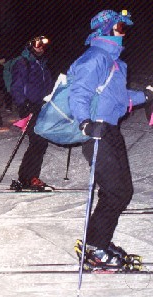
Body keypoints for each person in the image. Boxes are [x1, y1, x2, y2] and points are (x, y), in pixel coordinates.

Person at [68, 10, 149, 269]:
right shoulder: (95, 58)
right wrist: (84, 122)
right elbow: (79, 91)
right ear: (104, 30)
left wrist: (144, 96)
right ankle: (96, 248)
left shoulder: (115, 63)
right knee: (117, 192)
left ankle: (96, 241)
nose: (124, 33)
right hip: (96, 132)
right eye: (120, 27)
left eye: (125, 29)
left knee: (118, 190)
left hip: (111, 131)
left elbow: (118, 99)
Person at [9, 36, 54, 191]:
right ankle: (29, 178)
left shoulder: (43, 65)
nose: (40, 47)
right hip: (29, 108)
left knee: (40, 142)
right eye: (37, 44)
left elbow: (48, 87)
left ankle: (28, 177)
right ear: (30, 46)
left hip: (41, 108)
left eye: (43, 45)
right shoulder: (23, 63)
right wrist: (24, 104)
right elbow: (16, 86)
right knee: (38, 141)